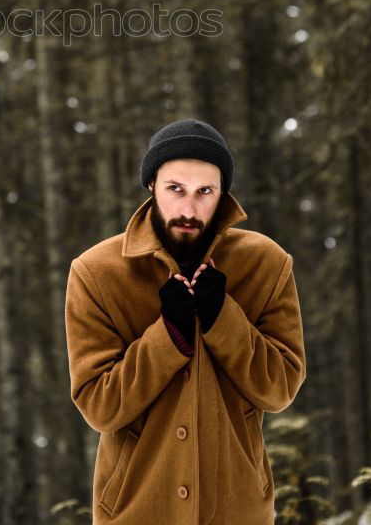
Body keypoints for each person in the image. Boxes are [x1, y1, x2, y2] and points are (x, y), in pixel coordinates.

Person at [64, 118, 306, 524]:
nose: (188, 209)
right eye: (175, 189)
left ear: (222, 195)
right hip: (135, 510)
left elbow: (280, 388)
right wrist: (169, 336)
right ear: (152, 187)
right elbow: (99, 406)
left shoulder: (267, 264)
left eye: (205, 192)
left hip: (238, 510)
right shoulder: (96, 273)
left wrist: (223, 319)